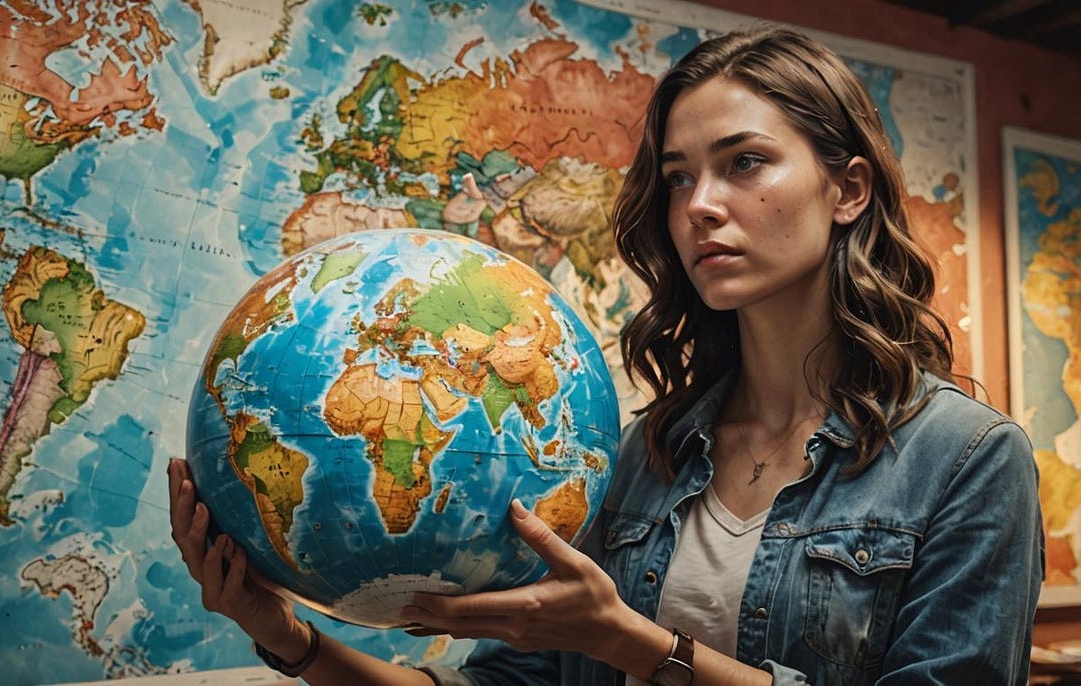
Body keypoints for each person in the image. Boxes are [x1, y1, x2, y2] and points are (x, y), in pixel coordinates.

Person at [168, 25, 1044, 685]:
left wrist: (627, 641)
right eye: (677, 177)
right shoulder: (640, 455)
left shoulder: (965, 461)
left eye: (744, 163)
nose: (700, 204)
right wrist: (286, 634)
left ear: (847, 189)